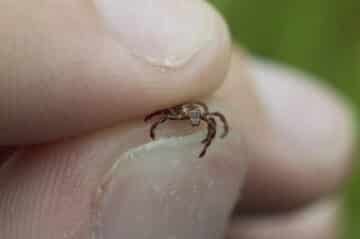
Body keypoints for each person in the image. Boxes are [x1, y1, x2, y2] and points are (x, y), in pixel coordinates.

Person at [0, 0, 355, 238]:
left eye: (195, 115)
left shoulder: (205, 117)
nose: (191, 117)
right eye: (186, 113)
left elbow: (213, 121)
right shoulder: (181, 109)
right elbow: (161, 114)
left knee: (213, 123)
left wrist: (199, 136)